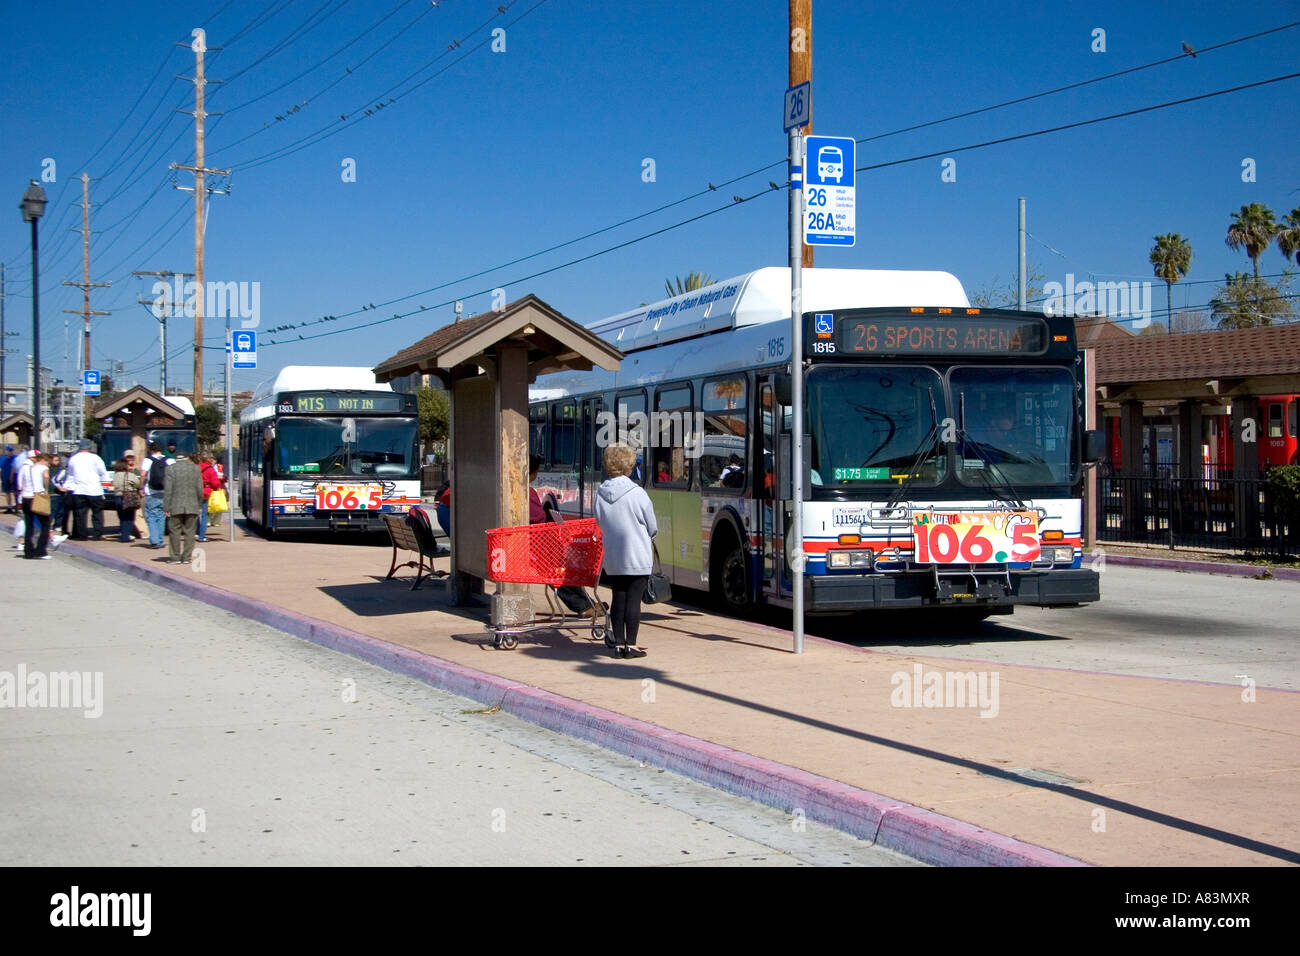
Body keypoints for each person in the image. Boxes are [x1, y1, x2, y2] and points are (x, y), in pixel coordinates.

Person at [595, 443, 658, 659]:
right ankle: (631, 646)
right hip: (637, 555)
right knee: (633, 600)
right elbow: (652, 525)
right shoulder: (637, 492)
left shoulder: (600, 493)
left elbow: (599, 521)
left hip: (613, 556)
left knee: (618, 598)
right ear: (629, 466)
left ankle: (619, 644)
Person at [529, 454, 593, 617]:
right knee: (556, 569)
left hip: (537, 546)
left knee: (561, 565)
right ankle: (583, 605)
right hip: (534, 548)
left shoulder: (527, 491)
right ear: (532, 473)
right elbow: (537, 517)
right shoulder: (527, 493)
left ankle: (586, 603)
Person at [164, 451, 205, 564]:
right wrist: (199, 504)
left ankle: (175, 557)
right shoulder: (195, 469)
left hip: (175, 505)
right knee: (190, 532)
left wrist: (166, 507)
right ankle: (186, 557)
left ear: (175, 459)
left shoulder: (170, 469)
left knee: (174, 532)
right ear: (187, 458)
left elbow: (168, 490)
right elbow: (200, 489)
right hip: (192, 505)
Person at [65, 439, 108, 540]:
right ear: (90, 447)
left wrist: (69, 487)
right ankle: (97, 534)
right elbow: (103, 473)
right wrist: (105, 488)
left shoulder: (73, 459)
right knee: (97, 513)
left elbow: (70, 475)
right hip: (95, 490)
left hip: (79, 490)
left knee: (80, 514)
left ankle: (82, 535)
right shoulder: (96, 458)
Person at [18, 451, 51, 559]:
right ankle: (41, 550)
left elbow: (20, 483)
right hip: (36, 497)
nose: (48, 465)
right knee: (46, 523)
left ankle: (28, 551)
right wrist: (46, 489)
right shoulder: (42, 468)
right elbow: (46, 477)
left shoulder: (26, 468)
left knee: (29, 525)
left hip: (25, 498)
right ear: (44, 460)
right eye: (48, 463)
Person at [140, 442, 169, 548]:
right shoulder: (169, 460)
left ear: (151, 450)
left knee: (151, 517)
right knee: (161, 517)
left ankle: (154, 541)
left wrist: (141, 487)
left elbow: (143, 474)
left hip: (151, 492)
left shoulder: (148, 460)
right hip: (164, 492)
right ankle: (160, 541)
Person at [111, 453, 142, 543]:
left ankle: (122, 532)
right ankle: (126, 536)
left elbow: (114, 485)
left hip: (117, 497)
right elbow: (138, 484)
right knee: (129, 517)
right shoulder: (129, 475)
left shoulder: (115, 476)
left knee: (121, 517)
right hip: (128, 497)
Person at [197, 453, 223, 542]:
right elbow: (215, 483)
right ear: (208, 459)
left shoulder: (196, 467)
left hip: (195, 491)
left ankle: (196, 532)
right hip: (206, 492)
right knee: (204, 515)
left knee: (195, 514)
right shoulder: (210, 469)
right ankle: (202, 536)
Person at [1, 445, 15, 513]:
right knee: (7, 493)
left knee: (15, 493)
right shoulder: (3, 458)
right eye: (8, 450)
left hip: (13, 478)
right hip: (5, 478)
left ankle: (17, 506)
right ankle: (9, 507)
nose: (9, 452)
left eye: (10, 450)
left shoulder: (14, 458)